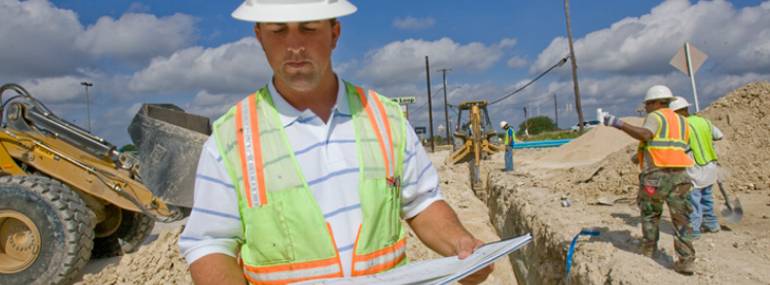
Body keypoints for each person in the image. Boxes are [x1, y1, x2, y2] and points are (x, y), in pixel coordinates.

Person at [178, 1, 493, 284]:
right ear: (259, 36)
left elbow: (421, 203)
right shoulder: (230, 139)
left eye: (308, 28)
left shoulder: (385, 118)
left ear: (334, 32)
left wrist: (460, 244)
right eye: (278, 31)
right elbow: (210, 244)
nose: (294, 46)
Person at [601, 85, 696, 275]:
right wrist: (640, 155)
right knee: (682, 219)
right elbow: (672, 145)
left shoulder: (656, 116)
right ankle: (686, 260)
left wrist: (619, 123)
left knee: (651, 214)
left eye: (647, 104)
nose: (645, 108)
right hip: (681, 177)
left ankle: (649, 249)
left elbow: (646, 135)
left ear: (655, 103)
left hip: (657, 175)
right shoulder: (683, 121)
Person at [669, 96, 724, 238]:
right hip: (710, 166)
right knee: (706, 197)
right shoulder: (704, 122)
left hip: (694, 167)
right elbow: (719, 135)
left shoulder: (681, 127)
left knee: (693, 200)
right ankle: (712, 224)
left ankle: (694, 229)